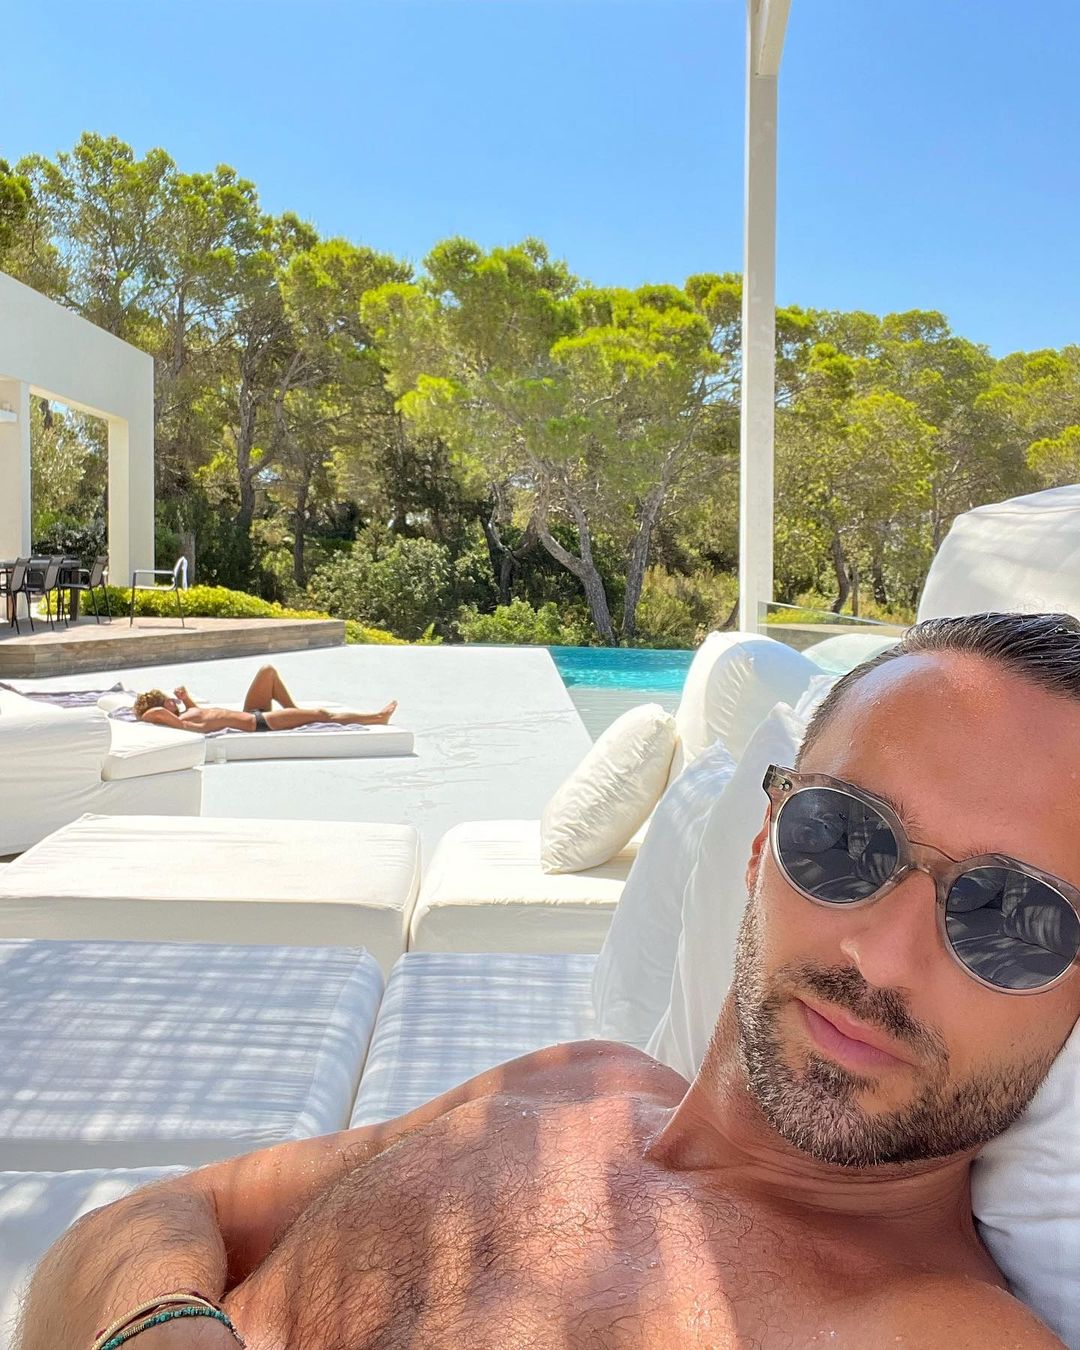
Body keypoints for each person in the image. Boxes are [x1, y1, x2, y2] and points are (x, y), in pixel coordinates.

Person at [20, 612, 1079, 1349]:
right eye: (843, 839)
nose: (882, 955)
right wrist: (160, 1325)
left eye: (1013, 919)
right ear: (763, 845)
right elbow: (157, 1215)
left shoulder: (938, 1332)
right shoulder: (580, 1081)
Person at [131, 664, 397, 733]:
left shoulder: (186, 715)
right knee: (322, 714)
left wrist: (186, 699)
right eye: (167, 700)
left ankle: (295, 714)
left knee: (267, 672)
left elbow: (201, 714)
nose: (172, 700)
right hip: (259, 722)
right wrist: (150, 709)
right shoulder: (181, 725)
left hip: (251, 713)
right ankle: (377, 718)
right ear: (162, 709)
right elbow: (152, 715)